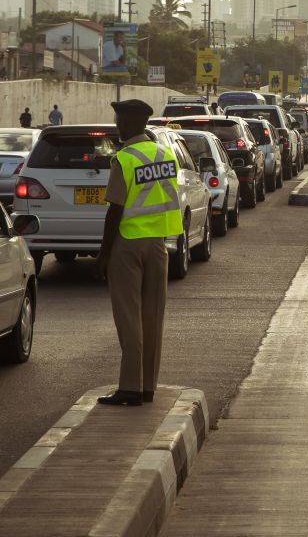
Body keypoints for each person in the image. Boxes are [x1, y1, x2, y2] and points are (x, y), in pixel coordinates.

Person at [94, 99, 183, 407]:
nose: (117, 126)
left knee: (129, 318)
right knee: (152, 317)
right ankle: (148, 387)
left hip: (128, 243)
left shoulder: (125, 158)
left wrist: (103, 254)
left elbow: (114, 210)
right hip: (158, 244)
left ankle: (130, 388)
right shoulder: (165, 154)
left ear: (132, 123)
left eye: (120, 121)